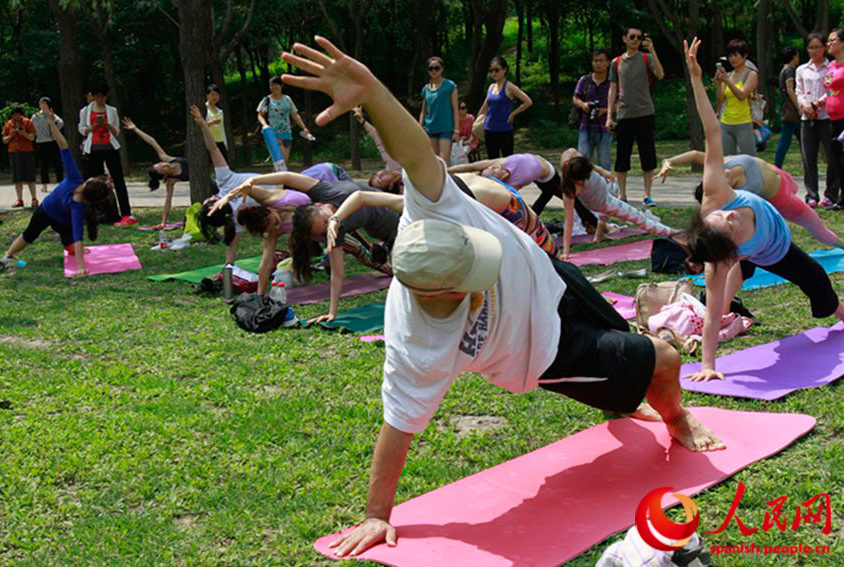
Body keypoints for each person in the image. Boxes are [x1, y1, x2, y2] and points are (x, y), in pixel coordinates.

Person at [280, 35, 724, 558]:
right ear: (454, 294)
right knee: (663, 358)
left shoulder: (431, 215)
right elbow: (396, 429)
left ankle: (625, 399)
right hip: (552, 354)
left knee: (627, 340)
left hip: (556, 281)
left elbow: (414, 148)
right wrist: (378, 515)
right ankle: (677, 418)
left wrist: (371, 92)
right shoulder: (416, 346)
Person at [682, 37, 844, 382]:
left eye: (722, 218)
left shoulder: (716, 193)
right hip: (771, 252)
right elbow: (711, 314)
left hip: (777, 232)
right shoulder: (722, 260)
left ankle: (839, 312)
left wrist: (696, 79)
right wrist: (709, 365)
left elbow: (712, 132)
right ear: (729, 250)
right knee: (733, 293)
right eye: (730, 227)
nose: (729, 216)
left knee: (817, 282)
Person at [229, 170, 398, 323]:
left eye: (326, 221)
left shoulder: (325, 193)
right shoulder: (334, 231)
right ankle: (386, 254)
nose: (329, 226)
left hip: (393, 204)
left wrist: (252, 180)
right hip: (389, 227)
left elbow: (288, 176)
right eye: (324, 228)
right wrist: (333, 312)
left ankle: (385, 253)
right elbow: (337, 274)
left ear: (318, 205)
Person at [329, 172, 561, 258]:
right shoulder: (422, 198)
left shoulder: (424, 201)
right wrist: (335, 218)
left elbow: (362, 196)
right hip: (508, 208)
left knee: (551, 262)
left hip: (513, 213)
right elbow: (361, 196)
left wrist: (335, 219)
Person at [1, 100, 111, 277]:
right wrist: (51, 122)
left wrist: (80, 267)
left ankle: (70, 251)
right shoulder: (76, 182)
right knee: (29, 235)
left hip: (62, 221)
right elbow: (64, 146)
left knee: (74, 248)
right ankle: (8, 255)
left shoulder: (78, 205)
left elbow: (77, 237)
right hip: (46, 210)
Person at [659, 150, 844, 249]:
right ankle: (841, 246)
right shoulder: (737, 198)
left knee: (800, 198)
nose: (723, 174)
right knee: (818, 230)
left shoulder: (722, 165)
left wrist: (669, 162)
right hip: (783, 200)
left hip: (782, 176)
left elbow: (695, 154)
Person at [559, 150, 678, 259]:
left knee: (618, 192)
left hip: (606, 185)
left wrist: (601, 171)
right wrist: (566, 252)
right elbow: (568, 222)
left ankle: (599, 236)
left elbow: (572, 152)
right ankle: (672, 231)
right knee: (638, 217)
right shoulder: (570, 191)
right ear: (579, 180)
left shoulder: (572, 162)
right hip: (604, 203)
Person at [191, 105, 266, 264]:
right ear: (213, 203)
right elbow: (213, 149)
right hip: (286, 184)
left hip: (287, 196)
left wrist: (227, 270)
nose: (206, 198)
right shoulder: (225, 182)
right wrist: (203, 125)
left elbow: (232, 248)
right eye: (206, 201)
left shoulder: (236, 218)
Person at [449, 152, 601, 230]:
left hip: (548, 172)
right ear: (496, 180)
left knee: (565, 197)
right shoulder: (509, 185)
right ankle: (591, 222)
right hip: (539, 173)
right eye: (492, 171)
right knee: (548, 196)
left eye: (491, 168)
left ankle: (592, 222)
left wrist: (447, 169)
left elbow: (472, 166)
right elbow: (513, 204)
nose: (493, 168)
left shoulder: (497, 163)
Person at [607, 26, 664, 205]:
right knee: (622, 155)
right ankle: (622, 195)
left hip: (645, 113)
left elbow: (660, 75)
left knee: (647, 155)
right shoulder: (616, 63)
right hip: (624, 114)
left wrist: (653, 50)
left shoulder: (647, 58)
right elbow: (613, 89)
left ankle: (647, 194)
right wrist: (610, 115)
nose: (635, 40)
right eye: (632, 37)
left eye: (639, 37)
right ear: (624, 38)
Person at [79, 81, 135, 227]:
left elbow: (116, 132)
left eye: (102, 96)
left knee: (118, 180)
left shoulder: (112, 111)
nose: (100, 99)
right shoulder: (85, 111)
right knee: (94, 183)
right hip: (93, 150)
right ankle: (96, 214)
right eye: (97, 96)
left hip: (110, 148)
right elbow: (81, 129)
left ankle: (126, 213)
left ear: (106, 96)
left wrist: (107, 125)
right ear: (93, 96)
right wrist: (92, 127)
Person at [796, 33, 839, 209]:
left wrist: (817, 104)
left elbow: (831, 89)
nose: (814, 51)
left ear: (824, 48)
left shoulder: (831, 68)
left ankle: (830, 194)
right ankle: (811, 194)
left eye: (818, 47)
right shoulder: (802, 69)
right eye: (811, 47)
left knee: (832, 157)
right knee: (808, 157)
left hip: (826, 116)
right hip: (807, 117)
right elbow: (798, 91)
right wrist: (805, 106)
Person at [121, 117, 189, 229]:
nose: (163, 164)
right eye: (162, 169)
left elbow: (152, 141)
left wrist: (135, 129)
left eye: (160, 164)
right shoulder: (171, 180)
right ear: (164, 175)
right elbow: (168, 202)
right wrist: (163, 222)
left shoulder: (167, 158)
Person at [475, 56, 532, 158]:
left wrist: (513, 114)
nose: (494, 73)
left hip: (504, 129)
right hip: (489, 129)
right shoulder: (491, 87)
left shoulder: (509, 86)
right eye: (491, 70)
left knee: (508, 160)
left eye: (497, 70)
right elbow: (484, 108)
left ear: (504, 70)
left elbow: (528, 101)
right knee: (492, 161)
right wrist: (476, 125)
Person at [715, 39, 758, 157]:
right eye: (730, 56)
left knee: (749, 161)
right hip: (726, 123)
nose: (732, 59)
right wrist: (719, 84)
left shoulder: (751, 74)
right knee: (728, 162)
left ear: (744, 56)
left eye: (735, 55)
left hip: (743, 123)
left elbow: (741, 95)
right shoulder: (728, 75)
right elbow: (721, 99)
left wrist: (727, 81)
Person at [256, 75, 310, 167]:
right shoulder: (267, 100)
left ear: (281, 86)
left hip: (287, 133)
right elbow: (260, 115)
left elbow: (294, 114)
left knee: (283, 164)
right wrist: (265, 125)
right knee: (281, 163)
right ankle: (280, 181)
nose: (274, 87)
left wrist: (304, 127)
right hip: (272, 134)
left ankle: (275, 180)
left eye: (276, 84)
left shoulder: (287, 99)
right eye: (271, 85)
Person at [572, 49, 612, 170]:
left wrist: (605, 111)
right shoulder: (584, 80)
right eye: (595, 61)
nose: (598, 64)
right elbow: (575, 98)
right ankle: (584, 188)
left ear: (608, 62)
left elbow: (621, 102)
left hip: (605, 127)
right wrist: (583, 105)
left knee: (604, 163)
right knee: (582, 163)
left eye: (601, 61)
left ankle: (606, 188)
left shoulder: (613, 82)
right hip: (585, 126)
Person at [419, 56, 458, 165]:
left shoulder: (450, 86)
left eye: (437, 68)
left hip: (446, 128)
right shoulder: (426, 89)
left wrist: (456, 130)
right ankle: (437, 182)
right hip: (431, 128)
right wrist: (420, 126)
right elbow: (424, 110)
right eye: (431, 68)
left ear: (442, 69)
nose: (434, 71)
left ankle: (448, 181)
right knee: (435, 162)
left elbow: (455, 108)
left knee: (444, 161)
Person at [1, 107, 37, 208]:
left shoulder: (28, 122)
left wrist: (23, 133)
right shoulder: (8, 124)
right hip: (14, 152)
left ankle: (34, 198)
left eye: (17, 114)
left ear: (20, 114)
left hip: (27, 151)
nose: (15, 117)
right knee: (17, 178)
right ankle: (19, 199)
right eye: (13, 115)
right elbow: (4, 140)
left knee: (30, 176)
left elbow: (32, 137)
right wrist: (11, 135)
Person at [824, 28, 844, 210]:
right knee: (836, 159)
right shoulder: (831, 66)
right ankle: (837, 198)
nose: (829, 43)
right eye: (828, 41)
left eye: (833, 40)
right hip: (833, 118)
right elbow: (829, 90)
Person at [774, 46, 802, 168]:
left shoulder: (783, 70)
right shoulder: (790, 70)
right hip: (792, 112)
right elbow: (790, 90)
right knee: (785, 142)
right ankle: (777, 167)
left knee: (802, 141)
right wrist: (799, 107)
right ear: (794, 56)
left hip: (788, 111)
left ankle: (808, 165)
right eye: (797, 55)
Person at [31, 97, 64, 193]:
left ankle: (60, 183)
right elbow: (31, 126)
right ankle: (44, 186)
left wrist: (54, 130)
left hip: (52, 142)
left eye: (44, 103)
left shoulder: (52, 114)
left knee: (57, 163)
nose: (42, 105)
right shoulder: (36, 116)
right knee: (43, 165)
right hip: (41, 142)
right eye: (41, 104)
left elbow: (61, 123)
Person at [205, 84, 229, 161]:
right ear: (207, 95)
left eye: (217, 95)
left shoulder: (220, 111)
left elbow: (222, 129)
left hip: (220, 142)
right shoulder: (204, 109)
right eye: (212, 94)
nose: (215, 97)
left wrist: (225, 143)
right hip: (208, 143)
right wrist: (210, 123)